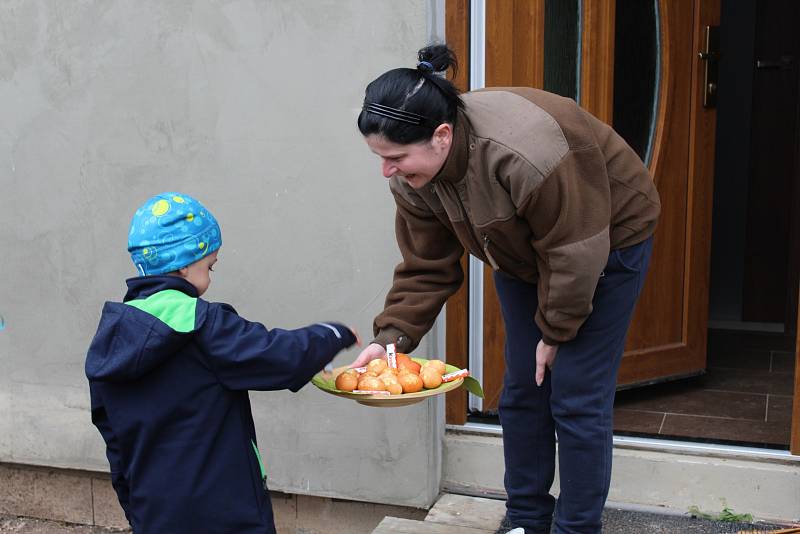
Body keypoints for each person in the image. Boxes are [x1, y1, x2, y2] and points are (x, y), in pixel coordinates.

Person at [350, 44, 660, 534]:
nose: (387, 170)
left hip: (604, 241)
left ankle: (576, 528)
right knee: (521, 391)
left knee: (575, 394)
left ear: (442, 135)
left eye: (396, 157)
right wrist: (389, 341)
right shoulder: (414, 178)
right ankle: (527, 521)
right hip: (521, 251)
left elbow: (575, 250)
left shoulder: (526, 154)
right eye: (379, 157)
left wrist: (555, 332)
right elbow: (427, 265)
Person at [85, 192, 359, 533]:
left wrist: (137, 511)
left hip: (157, 515)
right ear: (184, 263)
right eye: (209, 265)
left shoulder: (109, 342)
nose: (211, 276)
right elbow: (276, 355)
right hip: (229, 514)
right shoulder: (202, 325)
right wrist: (332, 334)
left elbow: (116, 445)